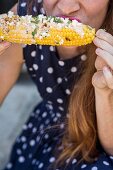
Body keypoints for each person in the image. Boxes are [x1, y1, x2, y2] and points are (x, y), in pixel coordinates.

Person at [0, 0, 113, 169]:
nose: (67, 7)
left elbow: (111, 147)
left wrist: (104, 91)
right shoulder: (27, 13)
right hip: (49, 131)